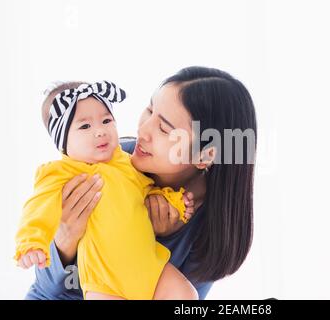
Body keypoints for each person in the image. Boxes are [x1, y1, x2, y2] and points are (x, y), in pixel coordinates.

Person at [26, 66, 257, 300]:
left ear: (204, 155)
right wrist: (64, 241)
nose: (142, 131)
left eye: (164, 128)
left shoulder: (214, 224)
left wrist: (159, 237)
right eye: (149, 110)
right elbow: (47, 289)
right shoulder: (109, 162)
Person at [15, 81, 197, 300]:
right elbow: (38, 207)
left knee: (186, 294)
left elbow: (147, 192)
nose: (100, 131)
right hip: (104, 282)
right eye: (85, 126)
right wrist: (32, 241)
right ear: (63, 141)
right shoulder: (62, 172)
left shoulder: (128, 162)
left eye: (106, 120)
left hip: (150, 267)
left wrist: (173, 201)